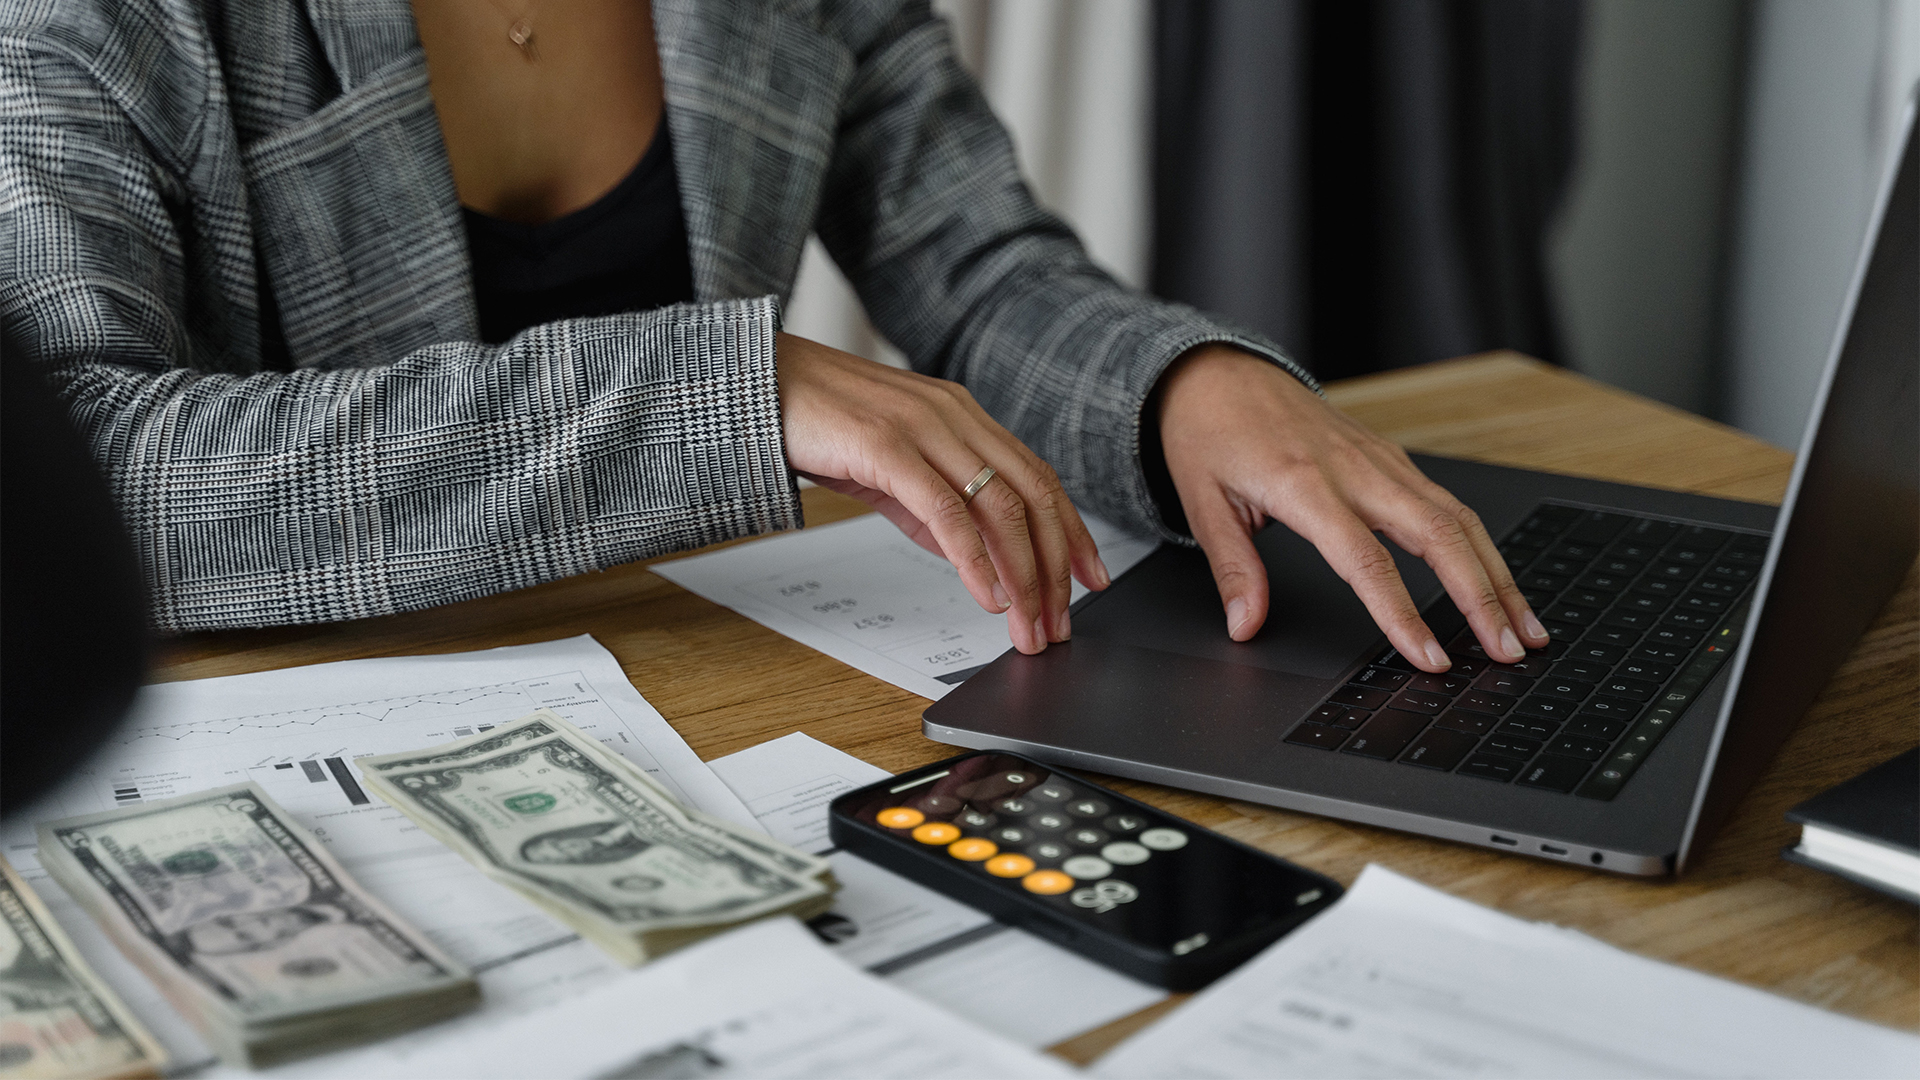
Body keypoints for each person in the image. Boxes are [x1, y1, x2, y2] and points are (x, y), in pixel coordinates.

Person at [0, 0, 1546, 674]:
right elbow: (87, 478)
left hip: (708, 694)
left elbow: (979, 267)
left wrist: (1186, 386)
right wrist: (720, 396)